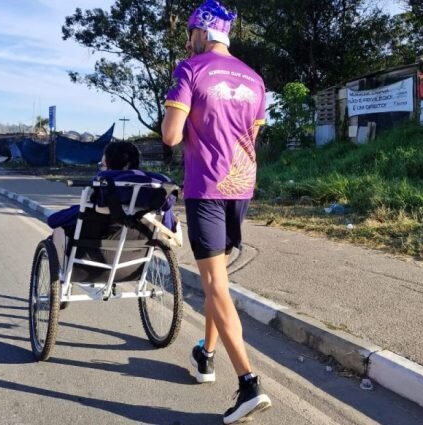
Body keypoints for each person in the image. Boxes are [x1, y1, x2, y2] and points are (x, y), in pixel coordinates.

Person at [161, 1, 270, 423]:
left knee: (213, 282)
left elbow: (171, 136)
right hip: (241, 187)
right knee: (218, 280)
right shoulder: (255, 78)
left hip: (206, 187)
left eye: (190, 33)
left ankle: (248, 383)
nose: (188, 41)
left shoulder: (190, 69)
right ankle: (205, 355)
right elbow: (250, 135)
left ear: (203, 33)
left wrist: (186, 119)